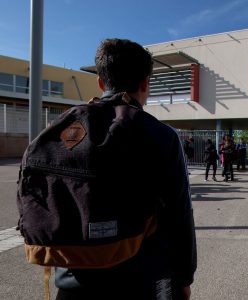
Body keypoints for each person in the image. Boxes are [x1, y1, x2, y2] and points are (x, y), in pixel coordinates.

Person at [54, 39, 197, 300]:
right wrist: (184, 277)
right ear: (145, 84)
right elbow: (180, 215)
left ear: (100, 82)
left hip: (73, 280)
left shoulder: (69, 132)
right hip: (141, 280)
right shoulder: (162, 136)